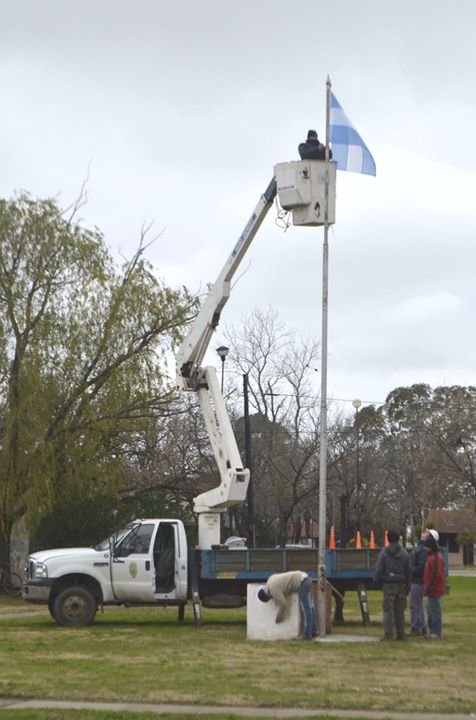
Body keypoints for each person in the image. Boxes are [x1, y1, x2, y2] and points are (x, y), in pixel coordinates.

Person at [373, 529, 411, 641]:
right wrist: (408, 585)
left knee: (388, 609)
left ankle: (389, 634)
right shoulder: (404, 553)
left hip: (388, 584)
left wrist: (376, 580)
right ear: (398, 539)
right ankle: (401, 634)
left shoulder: (384, 553)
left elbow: (379, 569)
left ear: (388, 539)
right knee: (400, 610)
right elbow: (409, 571)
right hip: (401, 584)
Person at [258, 570, 317, 640]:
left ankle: (307, 634)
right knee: (310, 607)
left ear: (267, 596)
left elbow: (283, 605)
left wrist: (278, 618)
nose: (272, 598)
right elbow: (283, 584)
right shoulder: (270, 580)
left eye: (270, 598)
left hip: (302, 583)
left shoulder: (273, 590)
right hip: (306, 578)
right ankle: (313, 631)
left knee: (306, 608)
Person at [409, 528, 438, 636]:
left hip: (417, 581)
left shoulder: (422, 550)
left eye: (427, 532)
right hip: (418, 581)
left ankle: (416, 627)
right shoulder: (421, 548)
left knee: (415, 605)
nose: (424, 531)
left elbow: (421, 567)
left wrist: (410, 571)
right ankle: (422, 627)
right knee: (418, 605)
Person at [423, 531, 446, 639]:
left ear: (431, 547)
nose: (425, 549)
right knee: (431, 610)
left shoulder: (436, 558)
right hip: (431, 589)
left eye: (426, 547)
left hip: (434, 589)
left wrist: (429, 588)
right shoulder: (432, 557)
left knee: (435, 611)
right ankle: (431, 629)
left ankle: (435, 631)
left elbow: (435, 575)